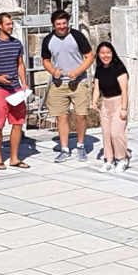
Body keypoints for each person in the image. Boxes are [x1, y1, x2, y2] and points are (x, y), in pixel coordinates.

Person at [39, 9, 95, 162]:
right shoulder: (48, 39)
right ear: (53, 25)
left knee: (81, 115)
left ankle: (81, 145)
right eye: (58, 24)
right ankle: (64, 148)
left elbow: (89, 56)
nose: (62, 26)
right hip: (59, 84)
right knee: (61, 116)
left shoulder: (77, 36)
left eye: (64, 23)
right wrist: (52, 71)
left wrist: (77, 72)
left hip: (79, 82)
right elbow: (46, 60)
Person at [0, 12, 31, 169]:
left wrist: (24, 83)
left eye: (11, 23)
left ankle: (14, 158)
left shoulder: (17, 44)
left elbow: (20, 64)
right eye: (8, 24)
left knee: (18, 123)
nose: (11, 26)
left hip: (15, 89)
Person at [92, 40, 131, 173]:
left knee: (116, 133)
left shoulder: (119, 68)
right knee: (106, 133)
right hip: (106, 103)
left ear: (112, 53)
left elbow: (124, 90)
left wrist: (124, 109)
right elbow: (97, 88)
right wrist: (94, 102)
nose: (105, 56)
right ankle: (109, 160)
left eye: (108, 52)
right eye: (102, 53)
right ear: (98, 54)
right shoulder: (99, 69)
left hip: (119, 102)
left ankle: (122, 158)